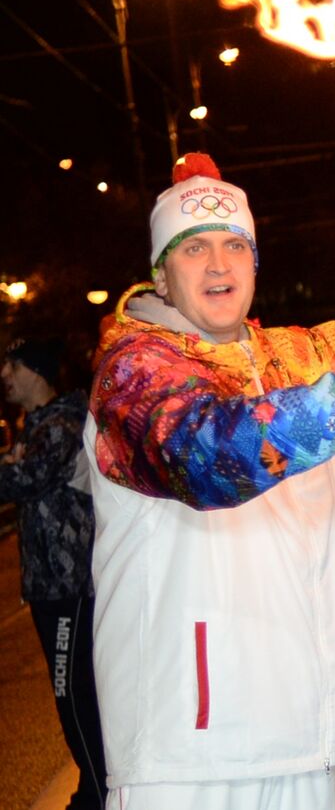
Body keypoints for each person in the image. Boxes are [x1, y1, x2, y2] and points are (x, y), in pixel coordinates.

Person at [83, 153, 335, 810]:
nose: (219, 265)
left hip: (304, 727)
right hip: (192, 752)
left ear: (254, 261)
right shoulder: (132, 374)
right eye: (194, 250)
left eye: (234, 246)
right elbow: (204, 453)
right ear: (161, 273)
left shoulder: (291, 357)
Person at [1, 338, 107, 809]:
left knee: (74, 693)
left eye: (13, 364)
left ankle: (99, 793)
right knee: (73, 691)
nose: (4, 374)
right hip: (51, 587)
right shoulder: (37, 426)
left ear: (37, 372)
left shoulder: (62, 423)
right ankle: (96, 786)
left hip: (70, 587)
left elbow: (24, 479)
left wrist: (11, 467)